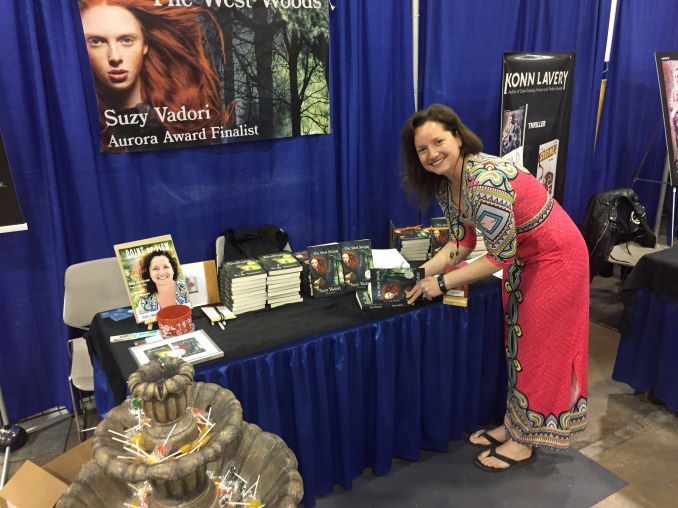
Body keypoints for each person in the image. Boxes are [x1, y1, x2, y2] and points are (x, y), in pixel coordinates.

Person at [401, 104, 588, 471]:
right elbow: (462, 244)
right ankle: (513, 426)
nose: (431, 154)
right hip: (525, 261)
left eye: (438, 141)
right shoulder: (449, 185)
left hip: (556, 260)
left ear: (458, 136)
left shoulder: (484, 181)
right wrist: (419, 273)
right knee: (517, 347)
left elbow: (498, 258)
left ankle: (524, 443)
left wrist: (441, 282)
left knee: (539, 351)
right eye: (422, 149)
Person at [78, 0, 231, 142]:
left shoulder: (180, 123)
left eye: (126, 40)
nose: (115, 57)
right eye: (96, 42)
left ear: (145, 45)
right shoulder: (83, 127)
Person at [136, 250, 190, 318]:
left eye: (166, 267)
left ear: (173, 269)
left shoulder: (186, 288)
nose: (162, 272)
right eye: (155, 268)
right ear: (149, 274)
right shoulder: (145, 302)